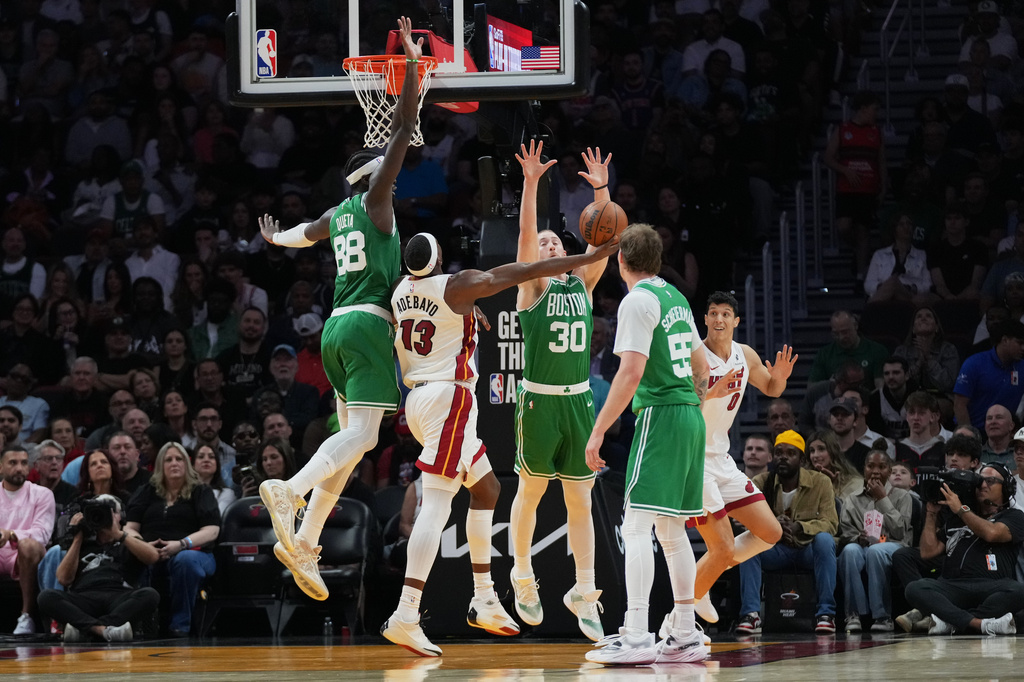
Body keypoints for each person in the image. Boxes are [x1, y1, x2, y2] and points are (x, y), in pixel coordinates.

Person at [255, 18, 436, 602]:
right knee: (361, 435)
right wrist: (411, 65)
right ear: (373, 176)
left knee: (354, 442)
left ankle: (304, 539)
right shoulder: (376, 201)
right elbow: (406, 127)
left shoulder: (336, 215)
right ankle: (292, 490)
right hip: (365, 327)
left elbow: (300, 237)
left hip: (334, 329)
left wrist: (273, 237)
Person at [382, 225, 618, 656]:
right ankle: (407, 612)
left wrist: (469, 313)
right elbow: (520, 269)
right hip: (447, 397)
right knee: (436, 506)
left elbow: (429, 308)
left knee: (487, 490)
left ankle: (485, 597)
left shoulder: (400, 290)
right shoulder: (458, 285)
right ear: (437, 262)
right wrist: (584, 259)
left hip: (418, 400)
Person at [583, 224, 714, 665]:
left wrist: (599, 429)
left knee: (637, 526)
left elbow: (630, 373)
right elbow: (703, 367)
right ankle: (683, 631)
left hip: (660, 415)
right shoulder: (674, 297)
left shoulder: (637, 300)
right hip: (689, 416)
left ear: (620, 261)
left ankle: (636, 634)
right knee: (672, 531)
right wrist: (690, 401)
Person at [507, 141, 618, 642]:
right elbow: (528, 236)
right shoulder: (530, 286)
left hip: (578, 401)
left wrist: (600, 188)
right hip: (539, 400)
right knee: (530, 493)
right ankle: (523, 578)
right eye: (545, 245)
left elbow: (607, 239)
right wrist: (530, 183)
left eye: (557, 243)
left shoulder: (583, 284)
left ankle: (585, 591)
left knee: (580, 501)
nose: (550, 247)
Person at [688, 291, 794, 628]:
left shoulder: (744, 354)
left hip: (722, 459)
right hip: (694, 460)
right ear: (704, 319)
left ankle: (701, 577)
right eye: (713, 313)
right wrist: (711, 391)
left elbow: (772, 390)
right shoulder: (695, 355)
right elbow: (682, 405)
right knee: (719, 548)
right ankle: (681, 612)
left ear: (736, 321)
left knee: (770, 531)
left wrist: (780, 376)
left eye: (725, 313)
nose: (719, 319)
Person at [736, 431, 839, 635]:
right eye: (779, 452)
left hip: (808, 549)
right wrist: (774, 526)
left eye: (790, 453)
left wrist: (799, 527)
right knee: (746, 544)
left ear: (802, 459)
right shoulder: (761, 482)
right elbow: (744, 520)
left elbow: (830, 523)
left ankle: (826, 614)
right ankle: (751, 615)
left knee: (825, 540)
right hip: (776, 550)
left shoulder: (820, 482)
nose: (783, 457)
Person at [905, 462, 1024, 635]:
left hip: (992, 586)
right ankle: (978, 624)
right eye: (980, 481)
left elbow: (991, 533)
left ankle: (951, 622)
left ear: (1006, 487)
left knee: (1020, 591)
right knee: (915, 588)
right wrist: (931, 514)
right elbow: (928, 552)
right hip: (952, 586)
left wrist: (961, 509)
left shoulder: (1014, 516)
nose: (983, 485)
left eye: (990, 481)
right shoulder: (956, 518)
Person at [125, 442, 220, 637]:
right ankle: (139, 624)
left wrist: (181, 545)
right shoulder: (146, 491)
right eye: (168, 460)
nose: (174, 463)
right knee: (131, 554)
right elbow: (129, 528)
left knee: (184, 560)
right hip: (152, 551)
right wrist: (143, 546)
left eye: (179, 459)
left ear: (187, 464)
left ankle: (180, 626)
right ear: (160, 465)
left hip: (195, 553)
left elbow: (212, 530)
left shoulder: (201, 491)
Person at [37, 494, 160, 642]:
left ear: (121, 517)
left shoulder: (127, 542)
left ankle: (86, 628)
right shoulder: (81, 543)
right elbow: (63, 579)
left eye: (110, 511)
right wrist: (78, 538)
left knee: (150, 595)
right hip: (84, 596)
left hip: (118, 596)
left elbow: (153, 556)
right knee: (46, 597)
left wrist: (118, 534)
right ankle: (104, 630)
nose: (103, 516)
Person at [838, 450, 913, 633]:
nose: (876, 471)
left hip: (895, 546)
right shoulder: (852, 499)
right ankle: (853, 614)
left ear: (889, 470)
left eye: (882, 467)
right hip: (864, 546)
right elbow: (845, 533)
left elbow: (900, 531)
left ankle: (882, 616)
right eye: (871, 466)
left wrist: (882, 498)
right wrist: (858, 538)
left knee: (876, 551)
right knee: (850, 551)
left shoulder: (903, 497)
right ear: (864, 469)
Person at [0, 445, 55, 634]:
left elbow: (42, 534)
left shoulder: (42, 494)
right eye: (13, 463)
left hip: (24, 556)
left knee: (29, 545)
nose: (19, 468)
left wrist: (10, 535)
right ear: (0, 467)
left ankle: (26, 616)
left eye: (24, 463)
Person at [953, 320, 1024, 431]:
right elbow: (959, 405)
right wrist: (969, 437)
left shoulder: (1022, 367)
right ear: (1005, 340)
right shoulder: (974, 363)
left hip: (1006, 434)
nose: (1023, 348)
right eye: (1020, 343)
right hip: (975, 430)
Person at [807, 429, 863, 498]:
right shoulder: (805, 481)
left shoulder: (854, 484)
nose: (815, 455)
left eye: (821, 449)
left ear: (833, 451)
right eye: (812, 450)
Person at [192, 444, 236, 517]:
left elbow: (218, 517)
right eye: (201, 457)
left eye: (211, 457)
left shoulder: (227, 493)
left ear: (217, 464)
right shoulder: (184, 492)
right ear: (192, 465)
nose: (206, 460)